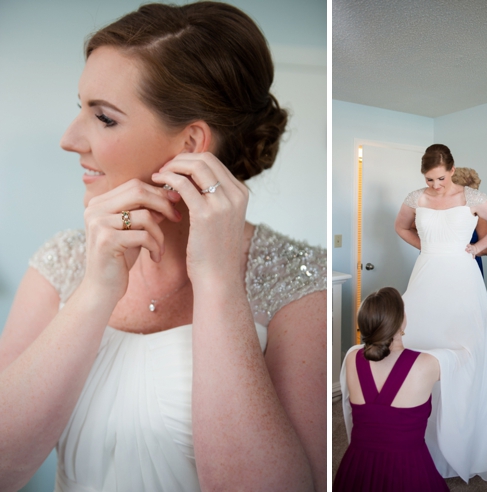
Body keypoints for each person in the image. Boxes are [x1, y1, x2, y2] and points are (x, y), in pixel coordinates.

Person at [0, 3, 326, 491]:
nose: (70, 140)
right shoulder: (60, 262)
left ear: (192, 143)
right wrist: (96, 289)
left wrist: (217, 285)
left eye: (104, 118)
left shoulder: (300, 285)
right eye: (80, 109)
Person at [392, 144, 487, 482]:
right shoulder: (414, 197)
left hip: (463, 278)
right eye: (429, 179)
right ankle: (428, 433)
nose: (435, 185)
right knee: (417, 341)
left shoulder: (472, 197)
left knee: (469, 346)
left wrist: (475, 248)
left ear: (451, 169)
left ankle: (473, 434)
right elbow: (401, 227)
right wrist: (429, 249)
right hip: (427, 274)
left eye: (440, 178)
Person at [336, 287, 449, 491]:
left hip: (357, 467)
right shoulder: (428, 364)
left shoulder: (352, 358)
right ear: (400, 320)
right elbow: (469, 363)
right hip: (409, 469)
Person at [451, 167, 487, 276]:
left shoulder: (478, 213)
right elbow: (411, 228)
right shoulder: (433, 208)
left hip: (468, 267)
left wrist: (456, 249)